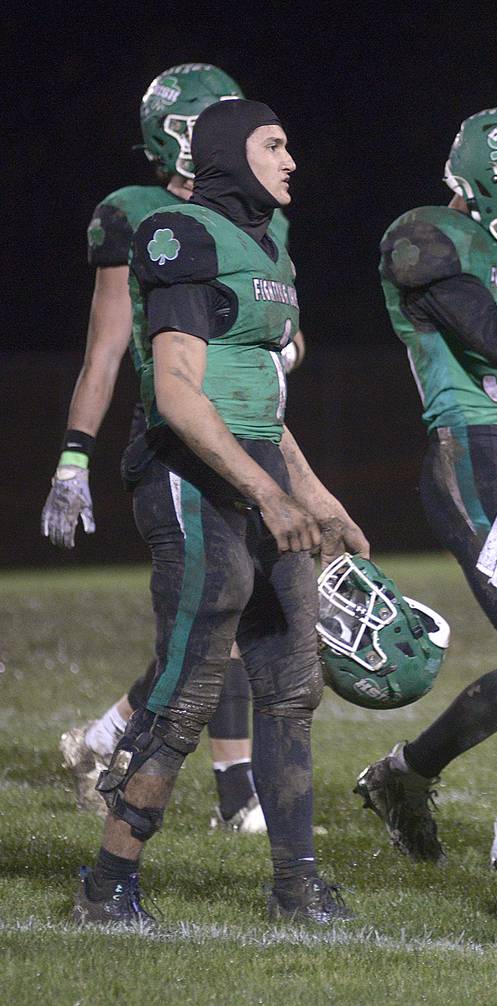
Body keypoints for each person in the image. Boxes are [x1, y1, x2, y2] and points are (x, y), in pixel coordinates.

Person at [70, 98, 366, 929]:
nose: (292, 161)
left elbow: (260, 402)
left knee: (290, 679)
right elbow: (175, 393)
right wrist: (267, 493)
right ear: (232, 155)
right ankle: (107, 884)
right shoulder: (180, 232)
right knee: (194, 687)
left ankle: (296, 887)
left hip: (255, 466)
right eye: (276, 144)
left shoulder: (269, 247)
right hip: (188, 473)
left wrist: (312, 492)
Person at [46, 64, 302, 833]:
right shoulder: (144, 218)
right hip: (181, 434)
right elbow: (109, 350)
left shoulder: (267, 222)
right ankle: (202, 800)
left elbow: (284, 337)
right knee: (212, 620)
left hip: (251, 425)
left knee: (231, 627)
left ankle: (111, 739)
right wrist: (73, 453)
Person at [354, 107, 497, 868]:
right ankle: (405, 774)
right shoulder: (426, 234)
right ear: (482, 183)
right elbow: (489, 333)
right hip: (476, 451)